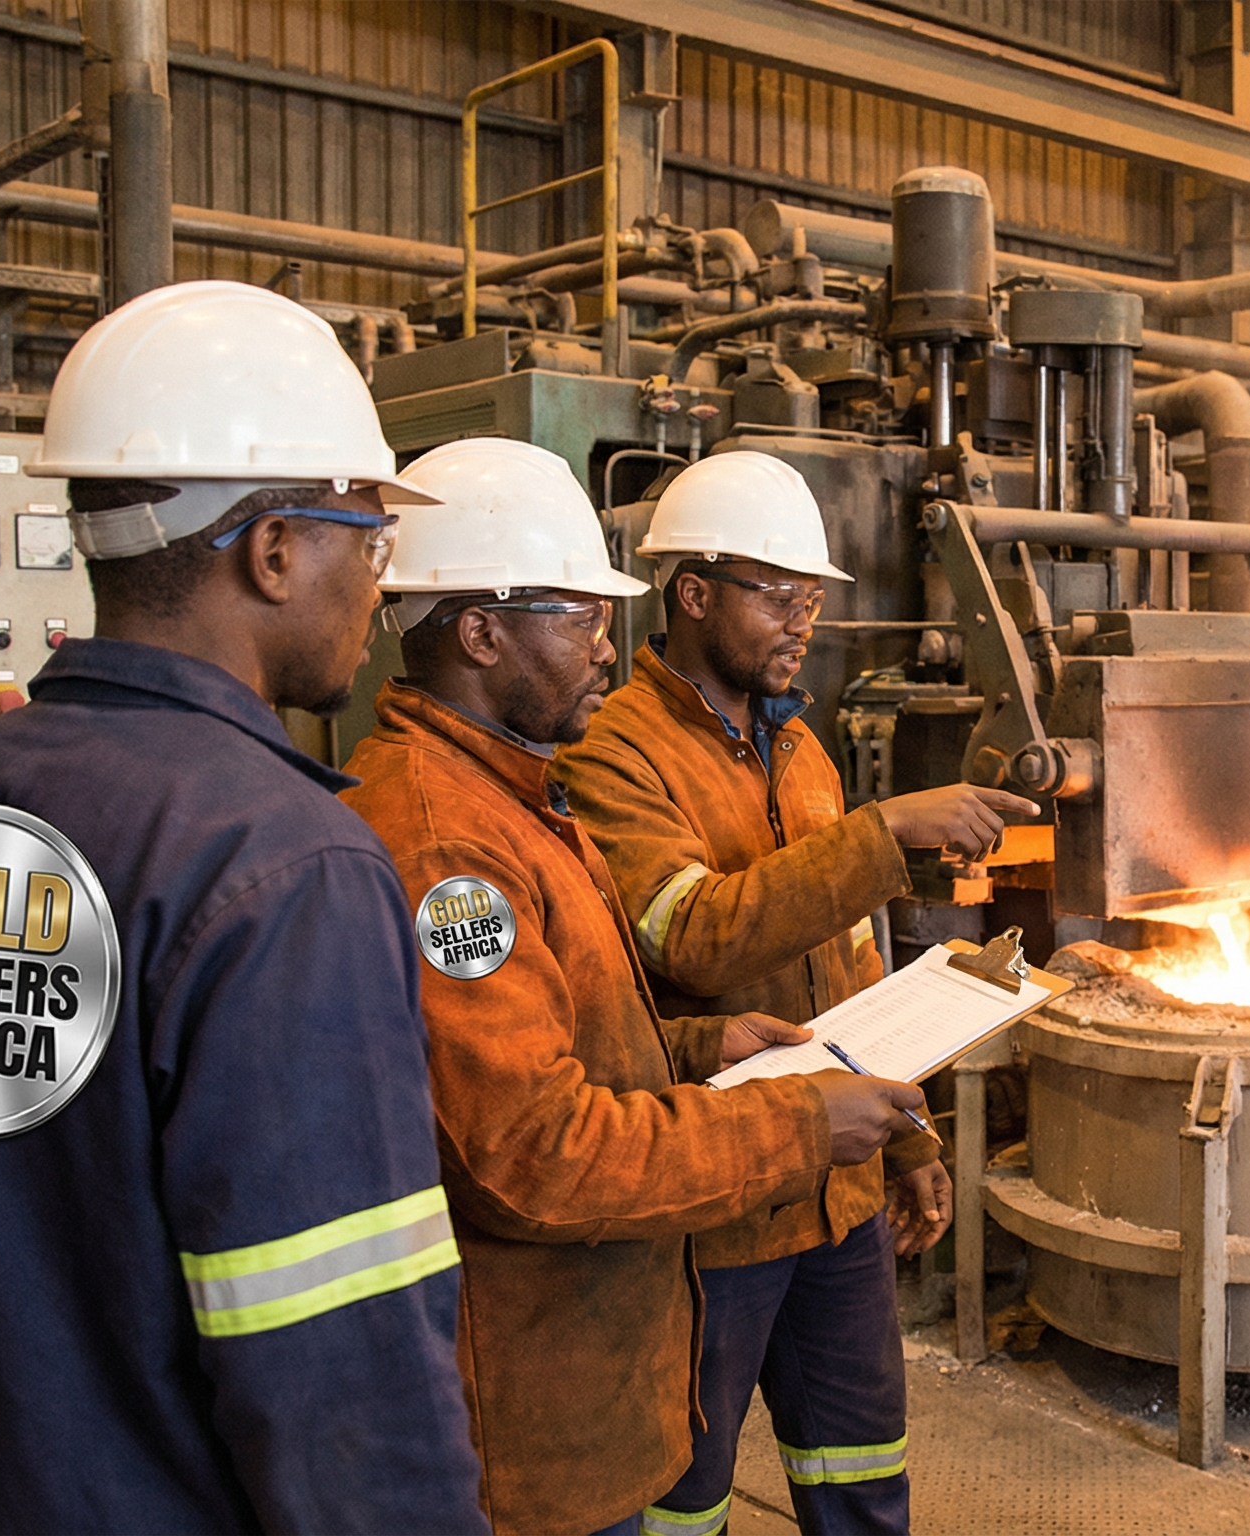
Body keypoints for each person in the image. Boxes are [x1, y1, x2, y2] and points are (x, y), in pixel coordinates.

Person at [0, 280, 487, 1531]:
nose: (379, 590)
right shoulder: (288, 868)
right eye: (368, 539)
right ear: (273, 549)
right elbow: (343, 1368)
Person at [339, 437, 928, 1536]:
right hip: (542, 1367)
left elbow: (575, 1029)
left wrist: (705, 1052)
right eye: (582, 619)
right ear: (479, 632)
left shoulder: (513, 796)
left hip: (630, 1297)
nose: (607, 648)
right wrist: (794, 1124)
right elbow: (532, 1154)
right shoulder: (446, 842)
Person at [557, 450, 1036, 1535]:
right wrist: (887, 831)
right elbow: (696, 939)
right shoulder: (613, 752)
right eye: (779, 596)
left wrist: (906, 1140)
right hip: (713, 1206)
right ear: (692, 593)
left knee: (861, 1467)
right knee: (686, 1490)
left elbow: (848, 964)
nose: (802, 621)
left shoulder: (798, 747)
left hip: (838, 1198)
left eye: (812, 598)